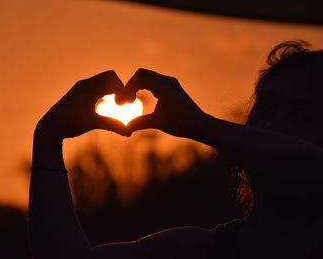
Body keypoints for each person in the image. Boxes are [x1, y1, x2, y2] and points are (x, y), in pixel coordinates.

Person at [28, 41, 323, 259]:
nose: (275, 124)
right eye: (267, 107)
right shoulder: (196, 250)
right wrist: (48, 138)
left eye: (307, 115)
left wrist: (198, 124)